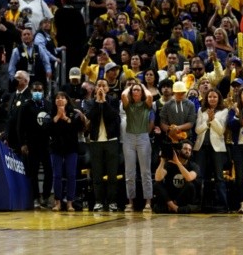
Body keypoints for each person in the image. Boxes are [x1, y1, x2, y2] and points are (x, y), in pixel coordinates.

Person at [86, 79, 121, 211]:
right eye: (98, 85)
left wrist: (104, 102)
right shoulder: (90, 102)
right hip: (95, 141)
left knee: (112, 174)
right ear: (95, 88)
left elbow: (113, 116)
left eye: (104, 85)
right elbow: (90, 116)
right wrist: (97, 102)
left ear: (108, 88)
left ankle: (112, 202)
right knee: (97, 174)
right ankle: (98, 201)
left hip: (111, 141)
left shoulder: (114, 101)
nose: (101, 87)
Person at [193, 88, 229, 212]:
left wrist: (212, 119)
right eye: (209, 97)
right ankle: (200, 204)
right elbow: (197, 130)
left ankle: (223, 205)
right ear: (206, 98)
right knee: (200, 176)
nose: (212, 99)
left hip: (217, 148)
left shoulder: (224, 111)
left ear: (219, 98)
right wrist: (208, 121)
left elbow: (221, 131)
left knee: (219, 177)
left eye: (214, 97)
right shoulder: (200, 110)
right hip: (201, 147)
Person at [18, 81, 53, 209]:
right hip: (32, 144)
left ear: (43, 91)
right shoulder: (26, 106)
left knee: (49, 171)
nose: (38, 92)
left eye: (40, 90)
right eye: (35, 90)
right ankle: (35, 198)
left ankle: (46, 197)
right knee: (33, 172)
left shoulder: (48, 105)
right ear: (31, 91)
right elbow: (20, 126)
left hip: (46, 144)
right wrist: (23, 143)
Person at [47, 91, 83, 212]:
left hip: (71, 148)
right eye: (57, 98)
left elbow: (77, 129)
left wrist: (66, 118)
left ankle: (70, 203)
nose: (60, 100)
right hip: (56, 148)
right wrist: (57, 117)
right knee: (57, 175)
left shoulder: (74, 113)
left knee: (71, 175)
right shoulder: (51, 113)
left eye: (62, 97)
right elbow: (48, 130)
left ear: (67, 100)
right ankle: (57, 202)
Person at [121, 82, 154, 212]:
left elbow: (150, 97)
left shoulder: (146, 105)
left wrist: (142, 86)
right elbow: (123, 95)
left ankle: (148, 201)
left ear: (141, 93)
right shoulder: (128, 106)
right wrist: (132, 86)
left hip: (143, 138)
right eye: (134, 90)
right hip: (128, 138)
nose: (135, 92)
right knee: (129, 172)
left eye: (138, 90)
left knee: (145, 172)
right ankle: (130, 202)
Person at [153, 140, 200, 213]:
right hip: (171, 197)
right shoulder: (169, 164)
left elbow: (189, 178)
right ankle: (175, 208)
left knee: (190, 184)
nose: (187, 151)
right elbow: (158, 178)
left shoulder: (193, 165)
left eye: (189, 150)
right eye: (185, 149)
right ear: (179, 150)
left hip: (183, 199)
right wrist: (162, 160)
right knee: (157, 184)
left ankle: (171, 208)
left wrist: (177, 162)